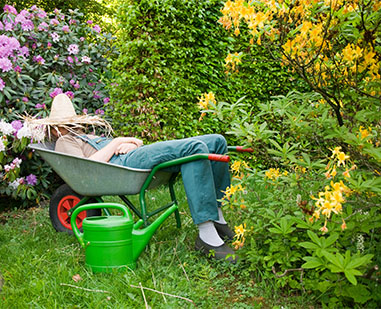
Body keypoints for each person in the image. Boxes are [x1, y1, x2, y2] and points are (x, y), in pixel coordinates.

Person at [28, 94, 238, 263]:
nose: (70, 127)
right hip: (122, 166)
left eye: (71, 123)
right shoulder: (64, 142)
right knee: (195, 149)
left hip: (132, 156)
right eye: (64, 125)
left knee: (217, 142)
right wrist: (118, 142)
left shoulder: (86, 136)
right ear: (54, 129)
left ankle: (217, 218)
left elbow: (131, 142)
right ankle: (206, 235)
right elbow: (91, 165)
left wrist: (131, 143)